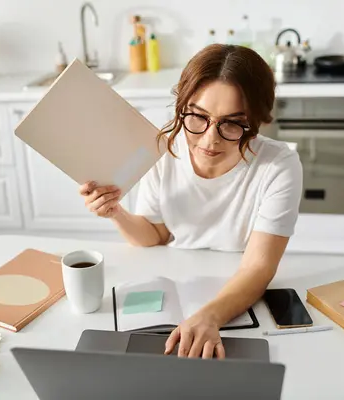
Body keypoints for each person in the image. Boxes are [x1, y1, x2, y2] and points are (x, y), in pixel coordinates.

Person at [79, 44, 303, 359]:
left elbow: (258, 266)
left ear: (256, 121)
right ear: (182, 107)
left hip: (238, 294)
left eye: (232, 123)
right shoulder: (163, 149)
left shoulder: (279, 166)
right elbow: (154, 235)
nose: (210, 138)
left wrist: (210, 316)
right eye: (198, 117)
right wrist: (116, 213)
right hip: (175, 285)